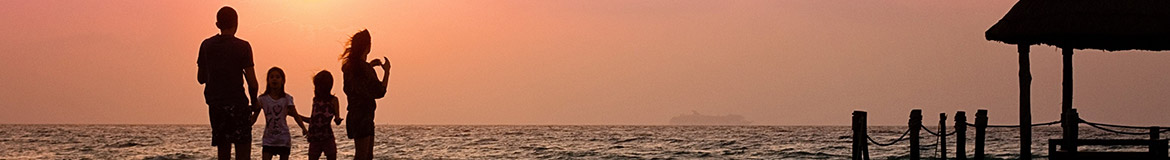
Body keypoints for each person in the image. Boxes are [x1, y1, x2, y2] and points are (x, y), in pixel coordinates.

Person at [197, 6, 259, 160]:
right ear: (236, 24)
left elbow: (200, 78)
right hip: (238, 105)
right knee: (243, 152)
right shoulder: (243, 46)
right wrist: (254, 103)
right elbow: (252, 83)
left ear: (217, 24)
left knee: (223, 153)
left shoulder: (206, 45)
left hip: (216, 107)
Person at [340, 29, 389, 160]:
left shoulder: (348, 67)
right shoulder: (365, 69)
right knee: (362, 156)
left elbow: (357, 84)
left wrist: (370, 65)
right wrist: (387, 72)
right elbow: (380, 91)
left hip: (354, 115)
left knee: (366, 156)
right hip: (364, 117)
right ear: (367, 47)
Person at [252, 67, 308, 160]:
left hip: (283, 138)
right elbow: (254, 117)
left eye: (278, 77)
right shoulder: (262, 99)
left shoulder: (287, 98)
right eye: (272, 77)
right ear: (268, 81)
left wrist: (303, 128)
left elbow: (295, 115)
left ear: (282, 81)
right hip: (268, 139)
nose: (274, 79)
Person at [304, 70, 344, 160]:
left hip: (327, 136)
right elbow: (313, 120)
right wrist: (296, 116)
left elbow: (337, 119)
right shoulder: (315, 100)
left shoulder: (333, 100)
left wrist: (337, 120)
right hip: (314, 137)